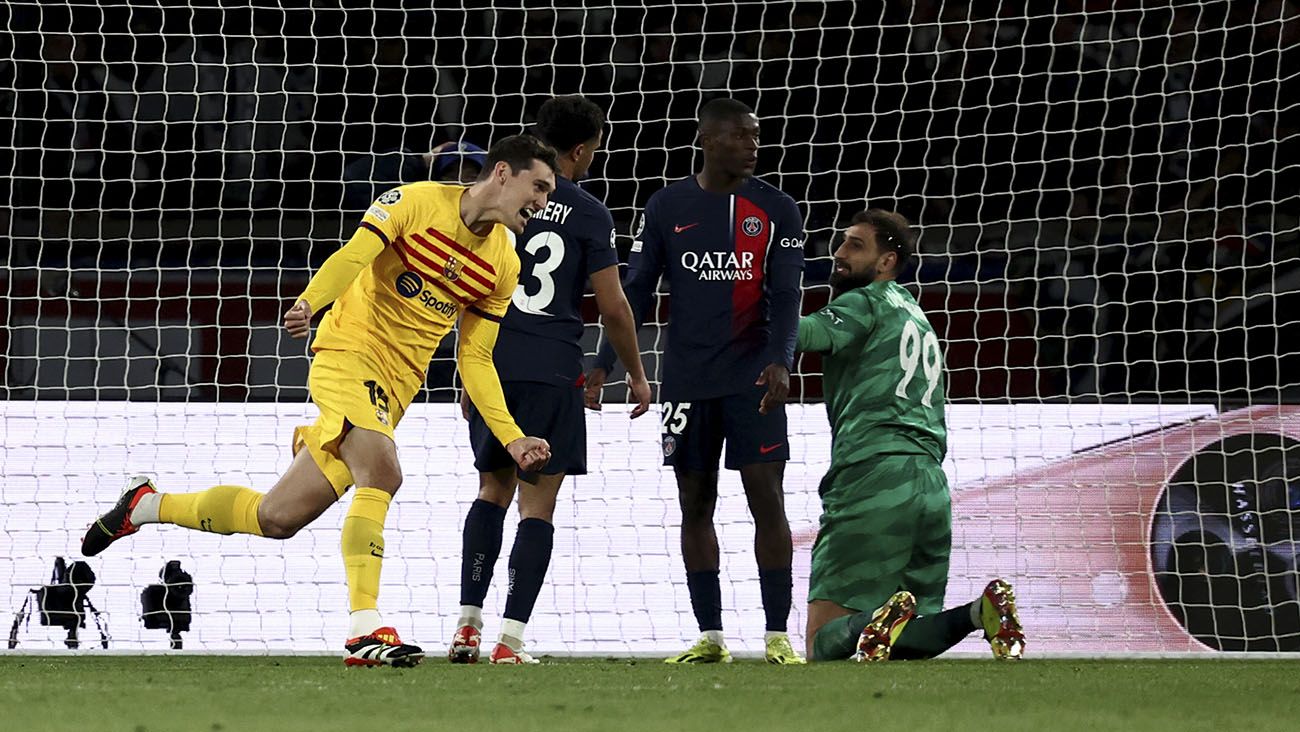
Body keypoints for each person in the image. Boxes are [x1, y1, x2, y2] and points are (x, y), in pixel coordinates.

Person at [81, 134, 560, 668]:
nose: (543, 201)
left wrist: (512, 436)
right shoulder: (415, 202)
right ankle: (365, 629)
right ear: (501, 173)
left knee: (277, 517)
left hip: (395, 389)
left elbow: (476, 359)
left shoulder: (504, 264)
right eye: (538, 186)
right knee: (383, 472)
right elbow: (354, 254)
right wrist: (311, 301)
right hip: (348, 354)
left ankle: (147, 504)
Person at [587, 97, 806, 664]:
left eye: (757, 135)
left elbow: (786, 296)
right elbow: (634, 291)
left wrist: (782, 358)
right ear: (708, 140)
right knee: (694, 504)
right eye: (742, 135)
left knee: (768, 501)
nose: (754, 145)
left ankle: (777, 635)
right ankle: (711, 636)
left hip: (753, 378)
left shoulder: (777, 208)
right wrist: (604, 363)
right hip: (685, 379)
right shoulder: (667, 206)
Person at [450, 95, 653, 665]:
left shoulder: (498, 196)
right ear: (582, 149)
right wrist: (636, 374)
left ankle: (466, 626)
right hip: (552, 367)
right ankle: (509, 642)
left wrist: (467, 365)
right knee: (537, 508)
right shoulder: (589, 211)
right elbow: (613, 306)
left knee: (491, 490)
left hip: (489, 361)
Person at [797, 209, 1026, 662]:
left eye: (855, 246)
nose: (839, 253)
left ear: (887, 262)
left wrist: (748, 292)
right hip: (931, 487)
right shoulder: (917, 315)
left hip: (873, 475)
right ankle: (979, 614)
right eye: (841, 242)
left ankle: (872, 619)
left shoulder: (864, 302)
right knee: (905, 637)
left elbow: (800, 335)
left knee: (824, 644)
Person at [342, 140, 488, 211]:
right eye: (450, 175)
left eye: (471, 177)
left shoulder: (491, 226)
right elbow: (353, 180)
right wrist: (420, 161)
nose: (459, 183)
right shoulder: (415, 208)